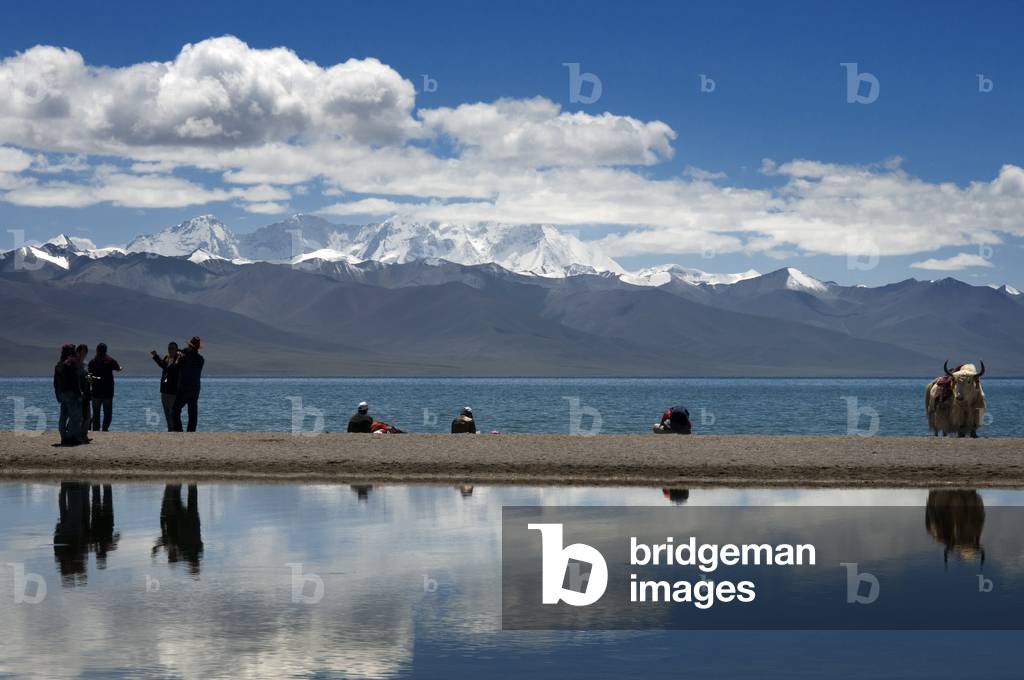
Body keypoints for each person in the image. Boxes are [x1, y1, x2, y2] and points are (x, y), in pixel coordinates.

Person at [53, 344, 85, 446]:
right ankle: (70, 437)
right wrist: (79, 393)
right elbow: (74, 381)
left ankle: (63, 438)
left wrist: (57, 395)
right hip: (71, 394)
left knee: (63, 415)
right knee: (75, 416)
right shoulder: (70, 364)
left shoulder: (58, 365)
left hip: (62, 394)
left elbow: (55, 383)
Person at [171, 336, 204, 432]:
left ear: (190, 345)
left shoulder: (184, 356)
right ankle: (191, 432)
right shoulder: (201, 359)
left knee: (175, 410)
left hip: (184, 387)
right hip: (196, 388)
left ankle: (179, 431)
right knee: (193, 411)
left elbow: (176, 368)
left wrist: (178, 356)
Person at [87, 342, 122, 432]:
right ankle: (105, 429)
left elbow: (89, 375)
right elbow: (118, 368)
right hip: (108, 391)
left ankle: (95, 429)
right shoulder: (110, 360)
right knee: (107, 412)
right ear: (106, 350)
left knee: (96, 413)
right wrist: (120, 368)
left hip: (96, 391)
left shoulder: (92, 362)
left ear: (97, 350)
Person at [151, 342, 180, 431]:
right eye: (169, 348)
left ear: (176, 349)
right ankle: (170, 430)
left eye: (172, 348)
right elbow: (162, 365)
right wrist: (155, 356)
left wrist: (157, 358)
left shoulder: (178, 359)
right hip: (164, 390)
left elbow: (169, 369)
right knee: (167, 413)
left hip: (173, 391)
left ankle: (175, 430)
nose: (170, 350)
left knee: (173, 413)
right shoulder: (167, 357)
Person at [76, 344, 92, 444]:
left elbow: (88, 376)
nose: (83, 354)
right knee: (78, 416)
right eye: (82, 352)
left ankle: (84, 435)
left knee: (87, 415)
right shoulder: (74, 364)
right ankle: (77, 435)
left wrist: (90, 379)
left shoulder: (86, 364)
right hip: (77, 393)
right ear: (77, 352)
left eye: (85, 352)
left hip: (86, 392)